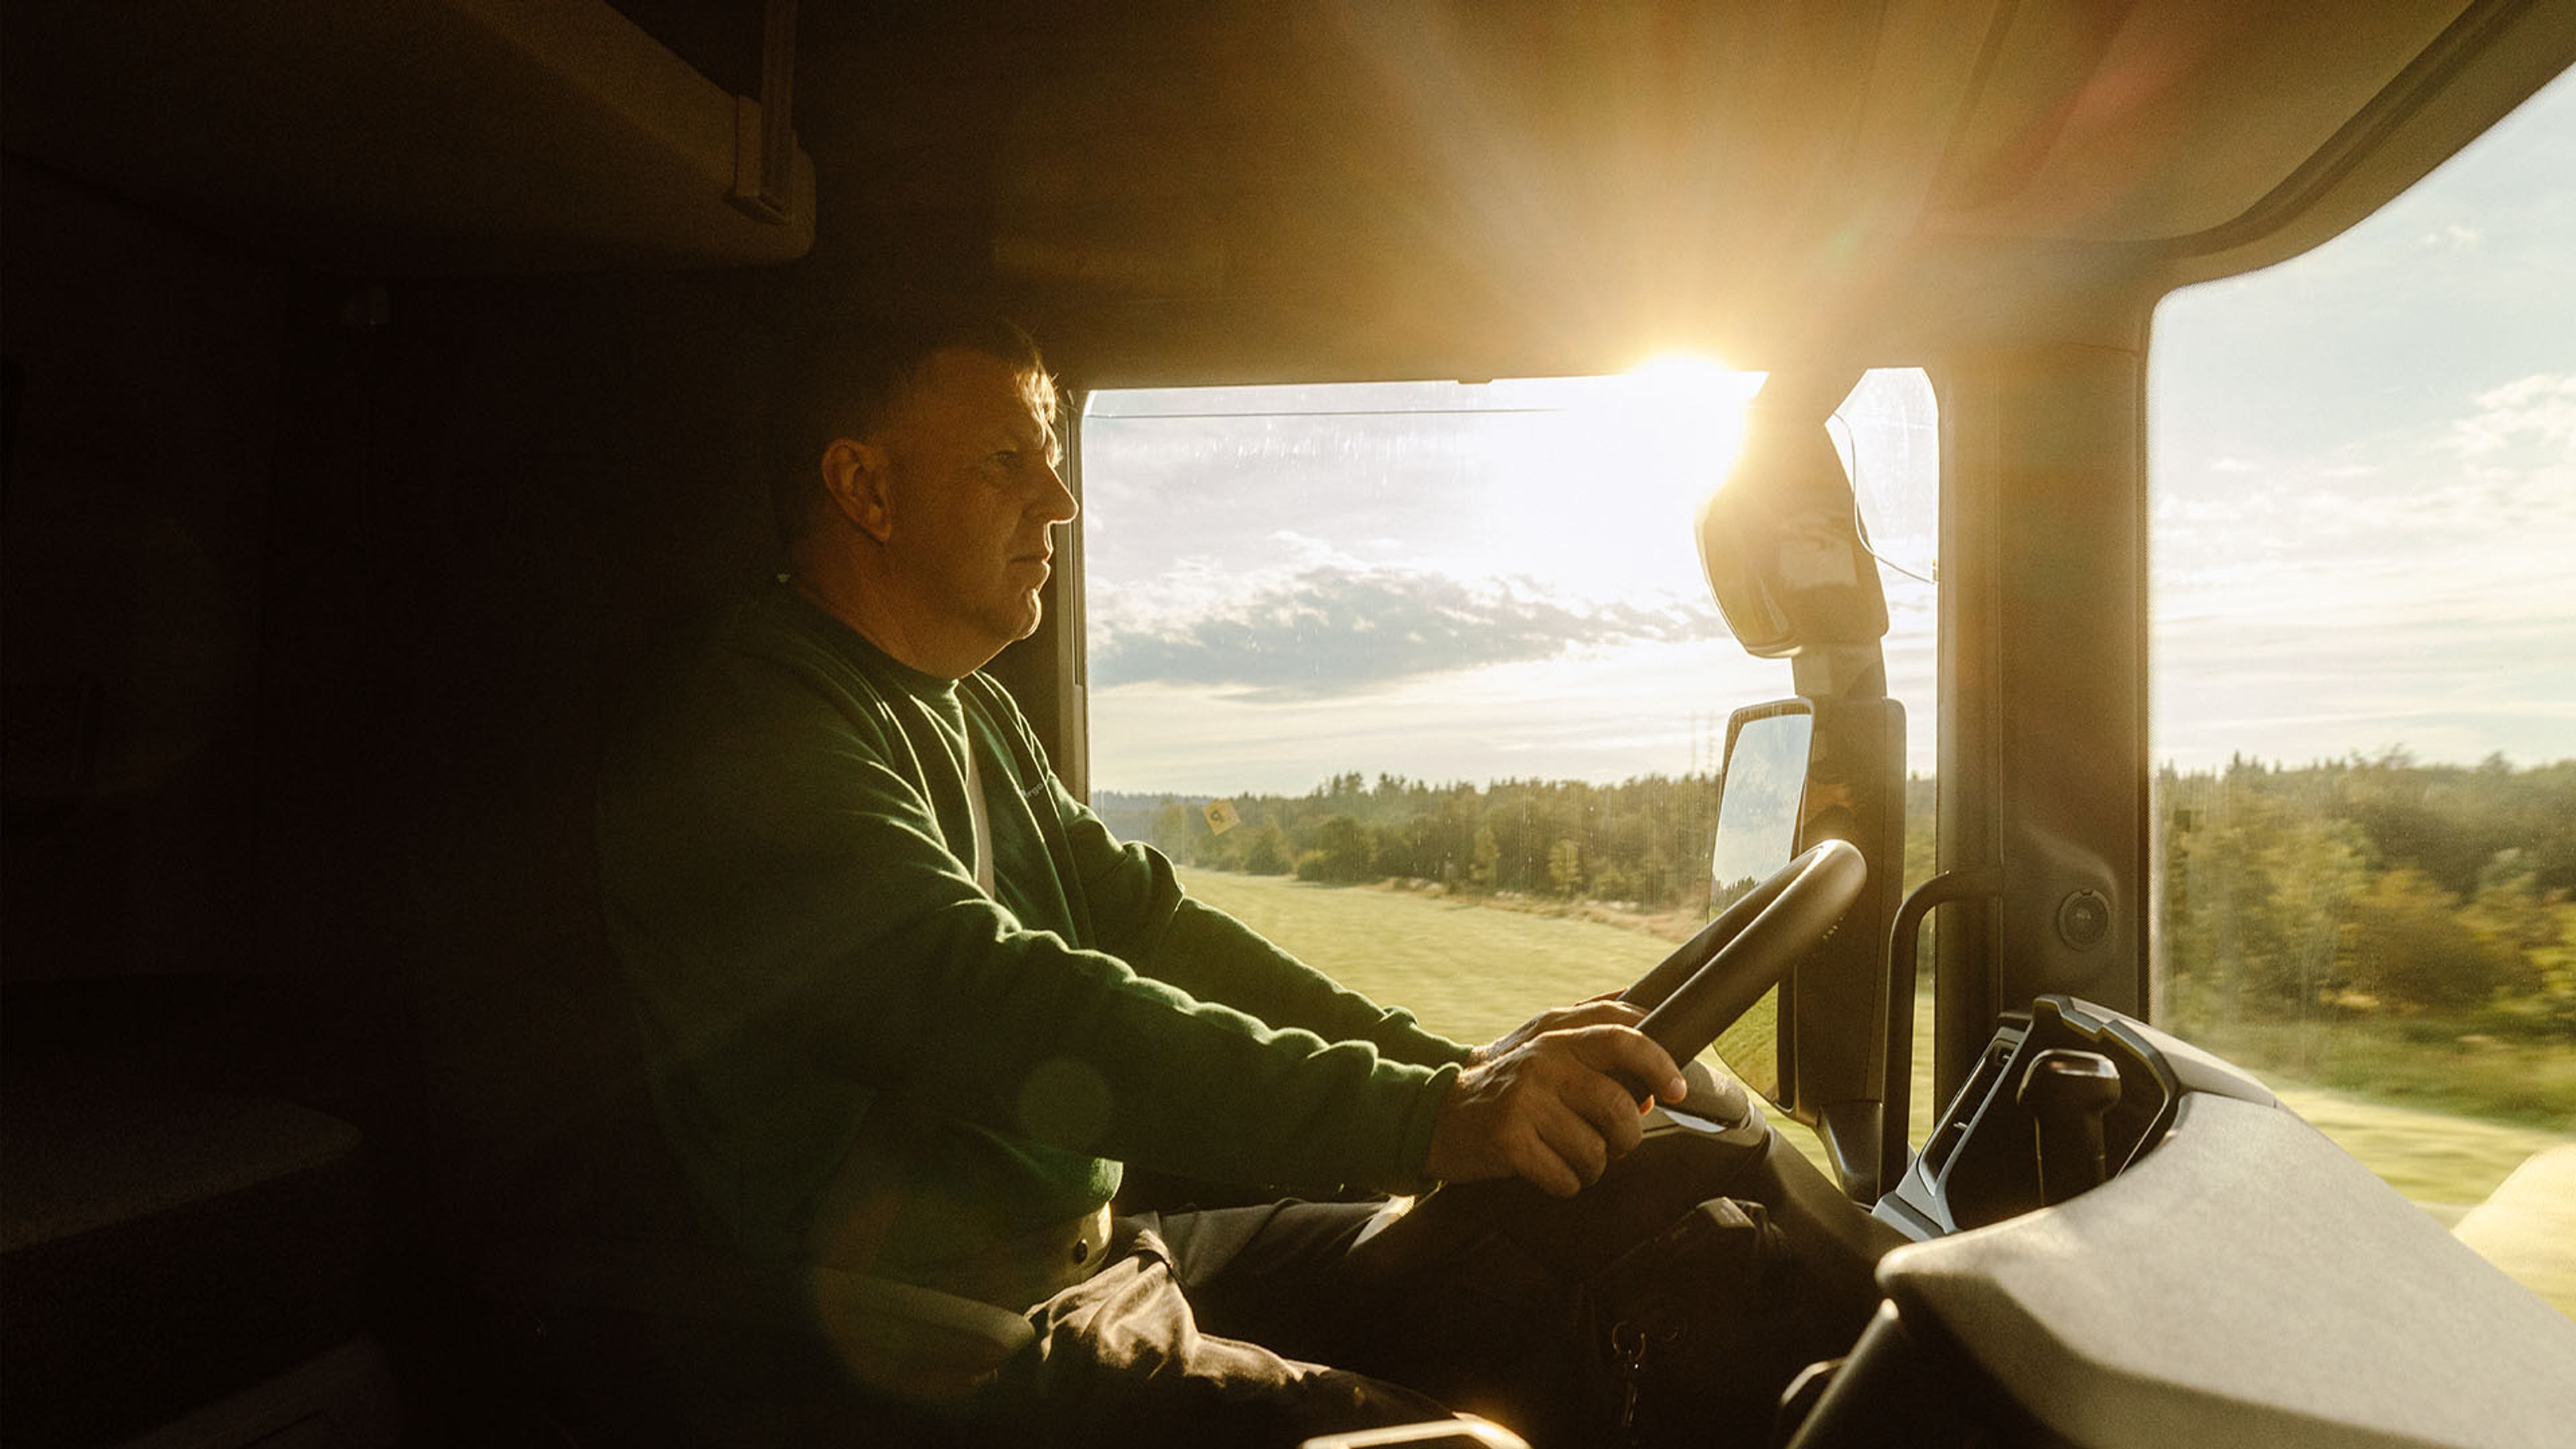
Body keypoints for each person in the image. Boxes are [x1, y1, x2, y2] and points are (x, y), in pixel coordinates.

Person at [595, 315, 1693, 1446]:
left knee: (1550, 1281)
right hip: (925, 1336)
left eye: (1058, 463)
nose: (1061, 503)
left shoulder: (969, 709)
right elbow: (993, 998)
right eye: (1008, 462)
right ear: (866, 490)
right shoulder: (749, 726)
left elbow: (1153, 930)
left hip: (1100, 1256)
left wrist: (1463, 1072)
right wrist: (1425, 1119)